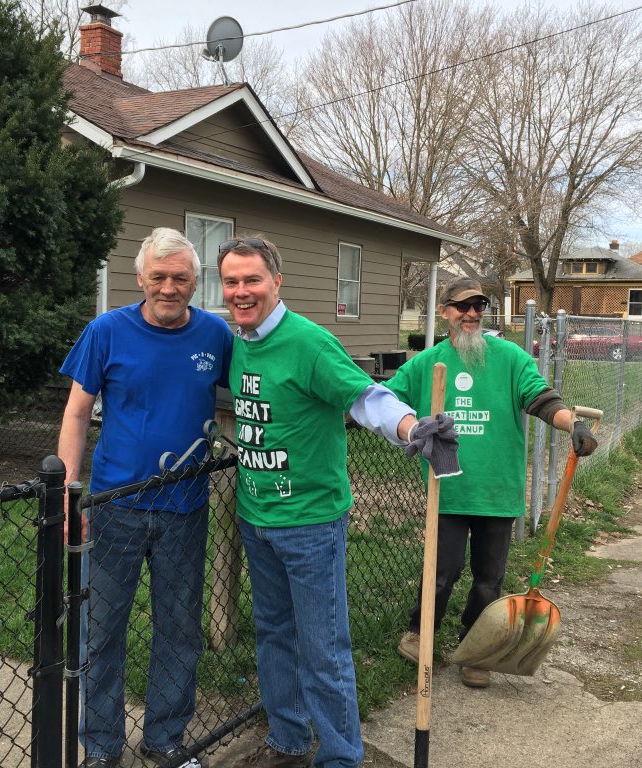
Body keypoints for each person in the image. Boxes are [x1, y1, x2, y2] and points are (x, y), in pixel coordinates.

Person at [216, 237, 457, 768]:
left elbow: (364, 396)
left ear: (276, 282)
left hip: (310, 524)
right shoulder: (240, 342)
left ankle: (341, 757)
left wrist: (411, 426)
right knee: (274, 635)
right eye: (231, 281)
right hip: (256, 518)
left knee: (322, 649)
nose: (240, 291)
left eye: (251, 279)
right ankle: (288, 740)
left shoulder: (309, 343)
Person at [58, 227, 234, 768]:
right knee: (101, 631)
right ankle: (103, 748)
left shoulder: (215, 336)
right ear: (140, 279)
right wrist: (69, 493)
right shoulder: (106, 331)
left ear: (195, 282)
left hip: (186, 508)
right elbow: (77, 414)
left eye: (180, 277)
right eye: (158, 276)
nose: (169, 286)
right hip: (116, 506)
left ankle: (165, 739)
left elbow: (247, 394)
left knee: (180, 630)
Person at [385, 277, 599, 689]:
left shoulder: (509, 358)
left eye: (479, 306)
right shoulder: (425, 364)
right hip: (446, 488)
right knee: (441, 571)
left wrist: (572, 423)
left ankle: (475, 650)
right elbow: (383, 400)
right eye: (462, 307)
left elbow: (541, 398)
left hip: (497, 489)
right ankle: (418, 633)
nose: (471, 314)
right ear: (445, 312)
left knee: (489, 578)